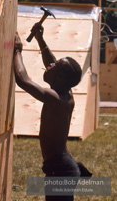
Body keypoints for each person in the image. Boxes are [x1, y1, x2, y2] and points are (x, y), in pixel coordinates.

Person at [14, 23, 92, 201]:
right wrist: (41, 40)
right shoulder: (66, 92)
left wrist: (17, 50)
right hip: (63, 167)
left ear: (61, 77)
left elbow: (22, 80)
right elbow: (50, 62)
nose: (49, 66)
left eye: (54, 67)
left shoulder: (55, 98)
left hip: (61, 170)